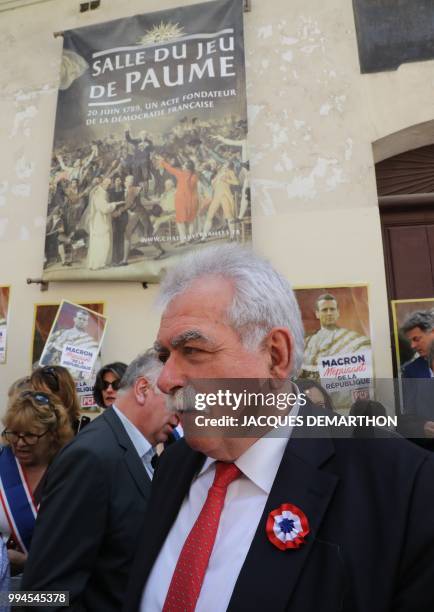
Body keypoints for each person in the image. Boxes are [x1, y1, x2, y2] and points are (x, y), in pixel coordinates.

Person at [124, 244, 434, 612]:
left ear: (276, 355)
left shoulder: (403, 485)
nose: (166, 379)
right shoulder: (173, 466)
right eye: (164, 357)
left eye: (192, 350)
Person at [21, 350, 179, 612]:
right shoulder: (91, 456)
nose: (180, 413)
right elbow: (44, 591)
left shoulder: (147, 452)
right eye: (175, 399)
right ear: (142, 389)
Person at [0, 390, 73, 575]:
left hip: (53, 591)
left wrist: (28, 561)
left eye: (30, 435)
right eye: (14, 434)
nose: (20, 443)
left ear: (53, 435)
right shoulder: (3, 463)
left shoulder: (70, 471)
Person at [300, 292, 371, 379]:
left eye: (332, 309)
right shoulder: (307, 341)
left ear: (338, 312)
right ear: (317, 314)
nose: (329, 313)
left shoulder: (354, 339)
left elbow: (362, 368)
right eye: (324, 310)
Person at [399, 311, 434, 442]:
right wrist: (421, 427)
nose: (413, 346)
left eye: (416, 339)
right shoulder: (411, 371)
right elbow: (406, 419)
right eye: (410, 341)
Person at [30, 366, 81, 433]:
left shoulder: (82, 433)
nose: (32, 399)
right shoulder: (26, 426)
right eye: (32, 393)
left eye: (41, 396)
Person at [86, 176, 119, 270]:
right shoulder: (100, 193)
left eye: (110, 184)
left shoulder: (100, 192)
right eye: (108, 184)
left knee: (100, 241)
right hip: (100, 220)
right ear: (104, 184)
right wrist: (114, 204)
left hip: (100, 219)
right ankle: (99, 264)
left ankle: (99, 263)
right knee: (103, 241)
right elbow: (104, 209)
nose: (109, 186)